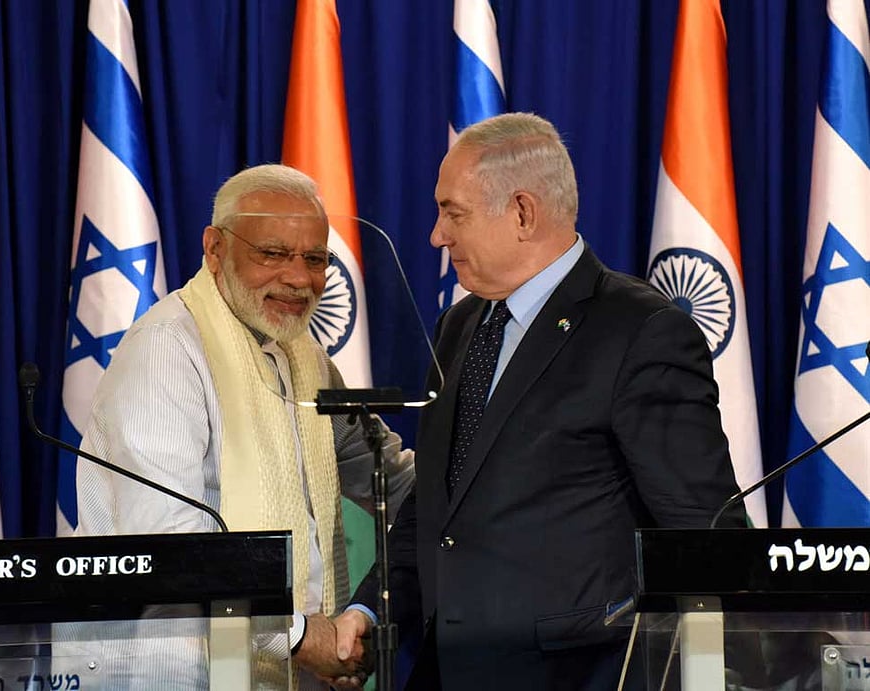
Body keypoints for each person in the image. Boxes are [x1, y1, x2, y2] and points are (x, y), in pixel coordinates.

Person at [334, 112, 745, 690]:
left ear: (522, 212)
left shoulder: (640, 331)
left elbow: (704, 531)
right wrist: (371, 612)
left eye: (453, 212)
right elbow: (435, 507)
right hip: (445, 672)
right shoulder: (459, 326)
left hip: (579, 677)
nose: (436, 235)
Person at [70, 163, 414, 689]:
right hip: (167, 672)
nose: (299, 278)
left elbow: (394, 480)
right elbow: (175, 552)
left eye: (315, 259)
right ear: (215, 249)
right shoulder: (168, 352)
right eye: (272, 254)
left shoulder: (307, 361)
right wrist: (299, 638)